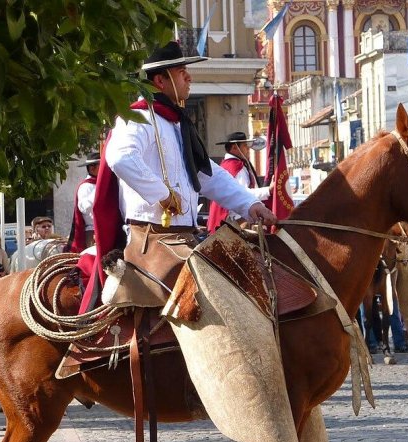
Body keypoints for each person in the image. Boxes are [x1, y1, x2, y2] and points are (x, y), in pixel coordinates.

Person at [84, 40, 275, 310]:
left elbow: (208, 175)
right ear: (160, 80)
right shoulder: (137, 118)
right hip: (150, 241)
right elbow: (120, 157)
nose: (189, 77)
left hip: (183, 238)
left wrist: (250, 204)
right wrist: (163, 194)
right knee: (220, 293)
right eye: (181, 71)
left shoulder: (176, 124)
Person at [207, 131, 270, 232]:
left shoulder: (226, 165)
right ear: (234, 147)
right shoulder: (236, 167)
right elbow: (243, 193)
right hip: (235, 222)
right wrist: (269, 190)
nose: (248, 148)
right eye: (245, 145)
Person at [66, 152, 101, 252]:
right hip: (93, 232)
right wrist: (99, 196)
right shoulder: (85, 186)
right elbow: (84, 208)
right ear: (92, 168)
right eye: (101, 165)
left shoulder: (104, 184)